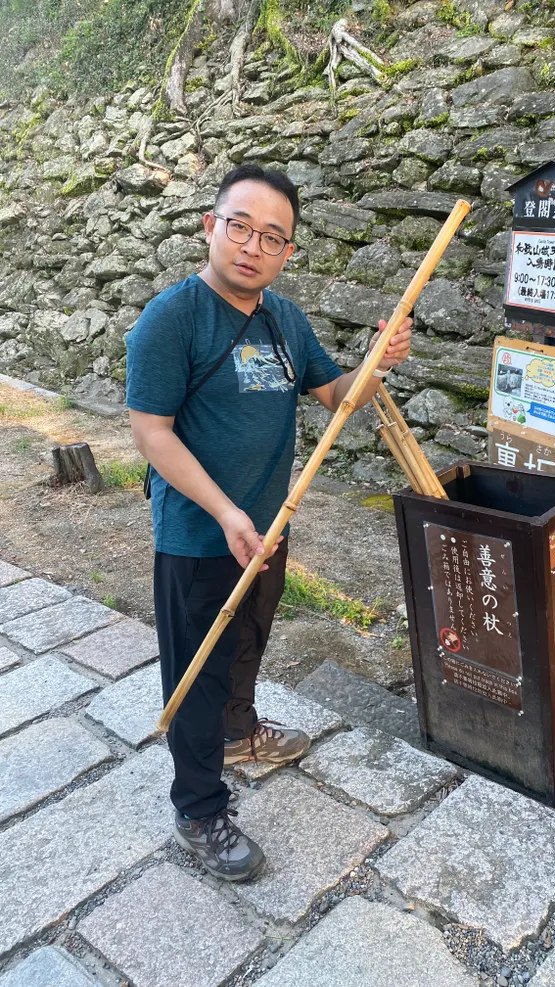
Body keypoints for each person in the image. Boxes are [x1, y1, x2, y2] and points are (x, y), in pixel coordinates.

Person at [125, 164, 413, 882]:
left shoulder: (285, 320)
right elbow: (151, 431)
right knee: (195, 673)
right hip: (199, 534)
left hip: (268, 526)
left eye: (272, 237)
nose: (253, 246)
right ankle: (198, 806)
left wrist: (377, 363)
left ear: (287, 252)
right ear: (210, 225)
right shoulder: (173, 318)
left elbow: (334, 392)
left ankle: (241, 730)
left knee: (247, 640)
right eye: (240, 226)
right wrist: (224, 512)